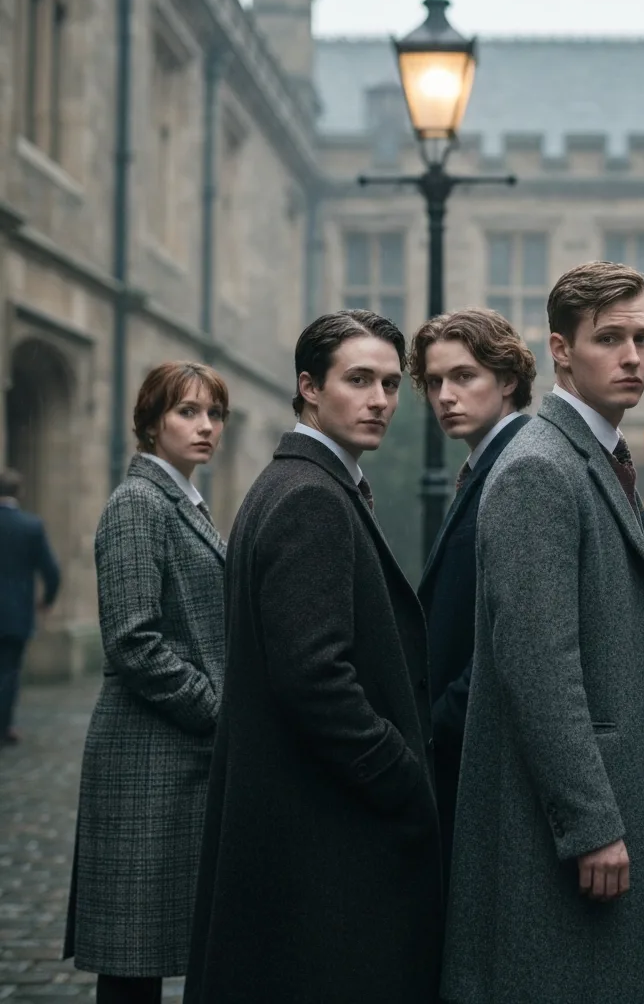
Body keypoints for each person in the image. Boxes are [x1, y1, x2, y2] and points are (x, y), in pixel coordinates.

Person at [441, 262, 644, 1004]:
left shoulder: (595, 457)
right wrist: (590, 824)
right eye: (610, 338)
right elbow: (539, 666)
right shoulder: (539, 470)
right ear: (561, 350)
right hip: (564, 838)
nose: (633, 357)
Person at [185, 310, 442, 1004]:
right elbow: (313, 677)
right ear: (308, 386)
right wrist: (401, 778)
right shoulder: (309, 498)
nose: (380, 400)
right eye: (358, 380)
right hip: (322, 834)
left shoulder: (299, 483)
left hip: (303, 827)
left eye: (390, 384)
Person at [64, 361, 229, 1004]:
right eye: (187, 412)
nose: (205, 426)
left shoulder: (178, 498)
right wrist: (215, 710)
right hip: (146, 754)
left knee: (159, 940)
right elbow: (133, 641)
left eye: (214, 413)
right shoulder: (137, 502)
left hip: (176, 753)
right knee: (133, 957)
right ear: (151, 422)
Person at [410, 307, 534, 888]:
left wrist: (436, 726)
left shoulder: (519, 468)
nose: (445, 396)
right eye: (435, 382)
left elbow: (515, 637)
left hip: (481, 752)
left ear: (508, 379)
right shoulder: (485, 464)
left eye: (464, 377)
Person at [0, 468, 60, 746]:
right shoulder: (30, 526)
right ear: (18, 493)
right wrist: (46, 600)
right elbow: (51, 571)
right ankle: (4, 726)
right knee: (9, 672)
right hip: (15, 613)